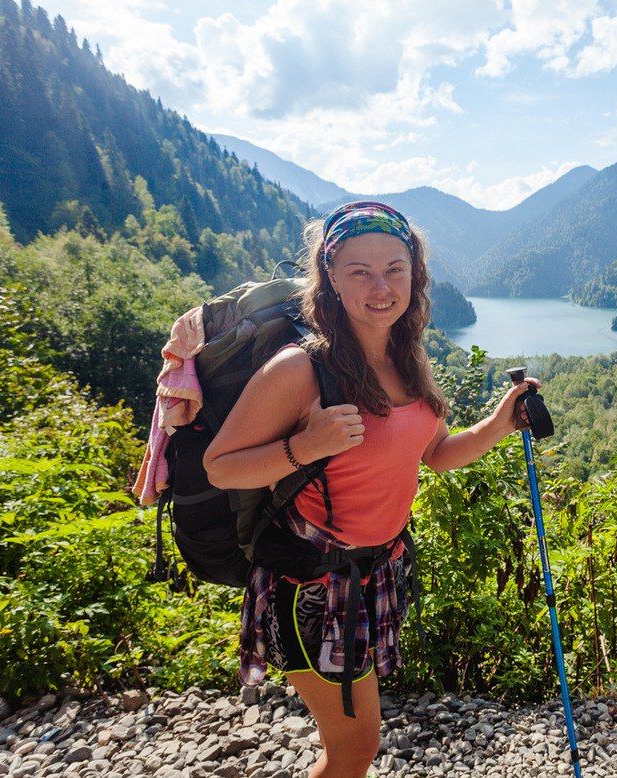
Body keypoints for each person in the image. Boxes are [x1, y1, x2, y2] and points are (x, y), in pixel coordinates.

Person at [203, 201, 537, 778]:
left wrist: (500, 422)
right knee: (356, 749)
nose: (381, 286)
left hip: (375, 575)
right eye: (359, 270)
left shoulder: (406, 359)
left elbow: (435, 455)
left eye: (395, 268)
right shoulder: (300, 370)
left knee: (354, 744)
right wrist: (304, 448)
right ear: (329, 277)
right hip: (309, 584)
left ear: (416, 273)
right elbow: (220, 468)